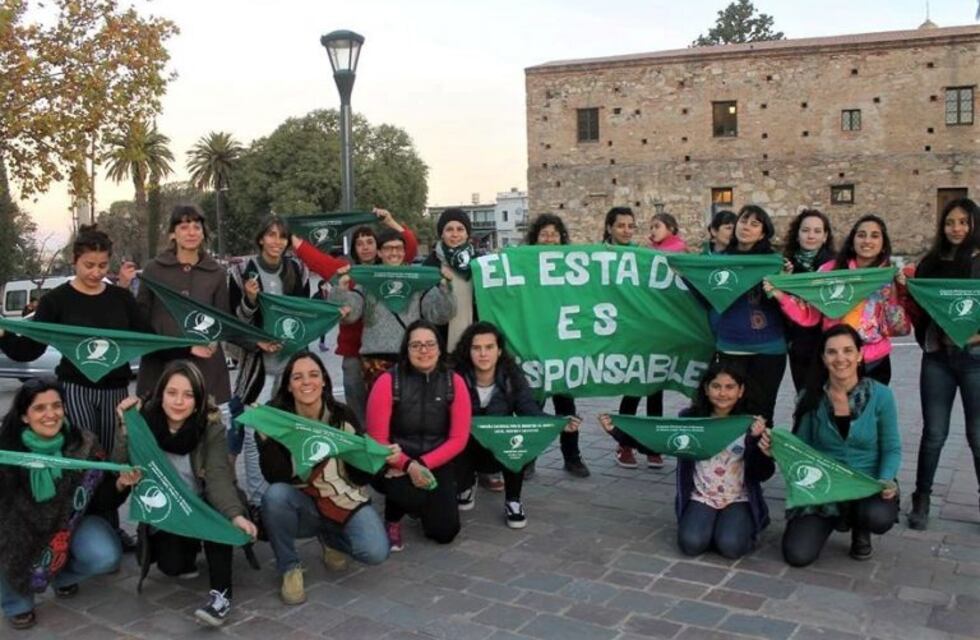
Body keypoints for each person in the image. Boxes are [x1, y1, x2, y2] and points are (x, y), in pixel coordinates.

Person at [0, 225, 145, 550]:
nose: (95, 272)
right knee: (80, 463)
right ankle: (69, 537)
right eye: (88, 265)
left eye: (102, 265)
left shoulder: (122, 298)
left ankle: (110, 529)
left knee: (112, 463)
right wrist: (5, 335)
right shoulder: (57, 300)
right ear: (75, 261)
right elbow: (32, 347)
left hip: (115, 392)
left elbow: (145, 337)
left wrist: (185, 345)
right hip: (75, 390)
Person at [114, 361, 256, 627]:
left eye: (188, 395)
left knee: (218, 516)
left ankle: (221, 596)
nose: (179, 401)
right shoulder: (141, 421)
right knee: (173, 567)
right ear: (161, 393)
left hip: (201, 502)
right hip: (169, 510)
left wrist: (235, 515)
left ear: (198, 399)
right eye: (172, 393)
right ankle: (189, 547)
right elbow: (118, 466)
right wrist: (124, 428)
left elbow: (217, 477)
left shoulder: (210, 426)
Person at [0, 378, 141, 630]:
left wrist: (120, 483)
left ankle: (60, 575)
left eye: (57, 406)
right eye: (40, 408)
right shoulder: (7, 449)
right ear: (24, 416)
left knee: (105, 554)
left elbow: (100, 499)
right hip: (18, 528)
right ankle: (16, 602)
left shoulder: (84, 445)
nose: (51, 414)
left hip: (67, 525)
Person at [599, 364, 773, 559]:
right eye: (716, 386)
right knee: (692, 544)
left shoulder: (751, 424)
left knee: (731, 547)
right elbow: (656, 443)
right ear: (706, 389)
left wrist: (760, 447)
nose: (722, 393)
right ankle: (716, 525)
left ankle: (743, 524)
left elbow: (763, 474)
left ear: (741, 391)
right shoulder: (690, 419)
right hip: (702, 496)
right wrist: (617, 431)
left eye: (730, 387)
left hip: (738, 497)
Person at [257, 352, 389, 606]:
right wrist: (268, 441)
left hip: (341, 497)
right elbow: (275, 476)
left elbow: (359, 476)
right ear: (288, 385)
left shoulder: (342, 415)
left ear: (325, 381)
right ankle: (289, 567)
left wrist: (373, 457)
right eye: (298, 377)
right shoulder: (275, 417)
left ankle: (330, 538)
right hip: (301, 502)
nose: (307, 382)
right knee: (274, 496)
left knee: (375, 552)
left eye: (314, 375)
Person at [772, 326, 900, 567]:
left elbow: (892, 448)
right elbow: (801, 447)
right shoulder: (810, 397)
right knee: (798, 555)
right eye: (832, 352)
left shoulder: (881, 395)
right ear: (823, 358)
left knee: (878, 517)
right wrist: (775, 446)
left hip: (866, 480)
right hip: (825, 485)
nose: (840, 358)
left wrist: (886, 479)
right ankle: (834, 515)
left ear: (860, 355)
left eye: (848, 351)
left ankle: (860, 529)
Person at [292, 208, 418, 426]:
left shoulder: (389, 268)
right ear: (354, 248)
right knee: (357, 410)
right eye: (360, 243)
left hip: (385, 353)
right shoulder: (345, 271)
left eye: (370, 242)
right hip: (353, 352)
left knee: (389, 411)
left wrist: (390, 220)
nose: (366, 247)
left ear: (378, 249)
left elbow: (409, 247)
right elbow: (315, 259)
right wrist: (289, 233)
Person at [452, 321, 581, 528]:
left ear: (499, 350)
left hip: (499, 446)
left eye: (489, 347)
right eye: (476, 348)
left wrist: (556, 424)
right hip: (465, 446)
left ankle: (513, 500)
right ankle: (466, 484)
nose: (483, 354)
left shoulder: (512, 377)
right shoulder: (454, 376)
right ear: (468, 351)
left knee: (516, 436)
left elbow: (529, 408)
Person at [905, 198, 980, 529]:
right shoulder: (930, 263)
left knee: (978, 436)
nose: (957, 228)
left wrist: (971, 337)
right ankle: (921, 499)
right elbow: (921, 306)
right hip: (937, 358)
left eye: (964, 222)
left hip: (976, 359)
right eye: (950, 222)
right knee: (934, 433)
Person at [365, 320, 471, 552]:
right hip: (395, 460)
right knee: (409, 493)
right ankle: (393, 518)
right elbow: (377, 440)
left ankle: (424, 507)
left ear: (440, 348)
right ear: (406, 349)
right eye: (416, 345)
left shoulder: (455, 382)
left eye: (430, 344)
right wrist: (408, 465)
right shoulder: (387, 382)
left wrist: (422, 465)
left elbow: (458, 439)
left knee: (445, 533)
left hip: (435, 459)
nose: (424, 350)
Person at [770, 214, 910, 385]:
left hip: (875, 360)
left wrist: (901, 288)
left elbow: (898, 325)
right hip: (838, 360)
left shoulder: (890, 276)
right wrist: (780, 295)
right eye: (861, 235)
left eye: (874, 235)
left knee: (870, 411)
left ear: (883, 244)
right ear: (852, 240)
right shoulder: (830, 271)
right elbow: (810, 314)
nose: (867, 241)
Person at [228, 215, 307, 512]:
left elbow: (304, 312)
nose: (276, 241)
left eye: (282, 236)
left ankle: (289, 488)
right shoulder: (240, 272)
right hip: (257, 366)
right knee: (252, 431)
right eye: (271, 235)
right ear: (260, 238)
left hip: (290, 364)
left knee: (289, 427)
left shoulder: (296, 269)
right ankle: (258, 497)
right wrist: (249, 300)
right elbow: (235, 323)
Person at [137, 205, 234, 424]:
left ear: (203, 232)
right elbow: (140, 318)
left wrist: (214, 342)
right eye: (184, 227)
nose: (191, 232)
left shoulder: (216, 272)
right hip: (160, 368)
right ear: (173, 233)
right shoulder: (154, 269)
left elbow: (223, 318)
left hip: (205, 368)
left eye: (196, 227)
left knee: (207, 439)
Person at [617, 210, 687, 469]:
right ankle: (624, 443)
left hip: (661, 333)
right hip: (642, 332)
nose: (652, 230)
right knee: (635, 389)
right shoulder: (646, 254)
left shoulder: (678, 254)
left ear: (670, 228)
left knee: (655, 391)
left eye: (656, 226)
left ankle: (651, 445)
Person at [707, 205, 787, 427]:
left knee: (762, 414)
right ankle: (731, 462)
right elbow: (703, 294)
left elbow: (786, 300)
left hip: (769, 349)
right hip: (731, 346)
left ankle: (759, 461)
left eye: (754, 224)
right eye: (743, 221)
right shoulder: (717, 261)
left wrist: (783, 278)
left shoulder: (774, 261)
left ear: (762, 233)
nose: (746, 227)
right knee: (729, 410)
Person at [523, 213, 589, 478]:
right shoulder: (524, 264)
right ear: (535, 238)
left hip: (563, 348)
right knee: (533, 407)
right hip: (536, 345)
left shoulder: (572, 267)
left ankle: (572, 457)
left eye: (555, 234)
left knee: (566, 407)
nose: (550, 238)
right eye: (544, 233)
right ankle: (528, 458)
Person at [777, 209, 836, 390]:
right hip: (799, 344)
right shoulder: (785, 266)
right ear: (797, 234)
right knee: (805, 397)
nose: (811, 236)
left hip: (830, 342)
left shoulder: (837, 266)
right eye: (806, 230)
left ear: (825, 236)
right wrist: (782, 280)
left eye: (817, 231)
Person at [424, 208, 477, 353]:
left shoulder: (479, 263)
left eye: (460, 229)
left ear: (467, 234)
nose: (455, 234)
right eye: (449, 229)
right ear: (442, 233)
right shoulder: (430, 265)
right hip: (440, 341)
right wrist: (442, 284)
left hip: (475, 341)